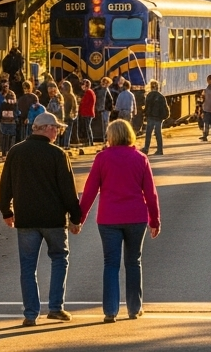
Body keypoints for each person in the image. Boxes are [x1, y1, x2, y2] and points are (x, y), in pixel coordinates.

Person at [0, 111, 81, 325]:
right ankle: (55, 307)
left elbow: (5, 184)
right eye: (56, 128)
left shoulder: (16, 152)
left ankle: (30, 313)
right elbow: (68, 190)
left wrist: (6, 211)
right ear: (46, 128)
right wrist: (75, 217)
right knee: (60, 259)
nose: (58, 132)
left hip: (26, 218)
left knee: (27, 266)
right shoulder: (57, 154)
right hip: (53, 219)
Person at [77, 118, 161, 324]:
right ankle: (134, 307)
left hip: (108, 218)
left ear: (111, 136)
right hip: (136, 217)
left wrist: (79, 217)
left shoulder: (102, 158)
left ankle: (110, 310)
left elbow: (90, 190)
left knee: (111, 264)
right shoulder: (140, 158)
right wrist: (154, 220)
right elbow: (150, 193)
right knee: (134, 262)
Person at [142, 80, 167, 155]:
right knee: (158, 133)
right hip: (159, 118)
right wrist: (163, 117)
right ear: (157, 87)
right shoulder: (161, 96)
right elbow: (164, 108)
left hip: (151, 117)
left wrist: (145, 113)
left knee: (148, 134)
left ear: (150, 87)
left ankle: (146, 149)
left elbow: (147, 107)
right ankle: (160, 150)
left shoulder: (149, 96)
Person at [59, 80, 78, 149]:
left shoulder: (63, 96)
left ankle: (63, 144)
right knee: (68, 132)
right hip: (69, 116)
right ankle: (66, 145)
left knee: (63, 132)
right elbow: (74, 107)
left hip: (65, 116)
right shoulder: (72, 96)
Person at [0, 91, 18, 156]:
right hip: (12, 122)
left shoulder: (3, 103)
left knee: (4, 137)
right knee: (11, 138)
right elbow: (16, 112)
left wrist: (0, 119)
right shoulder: (15, 104)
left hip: (4, 122)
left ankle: (3, 153)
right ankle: (10, 152)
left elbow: (0, 112)